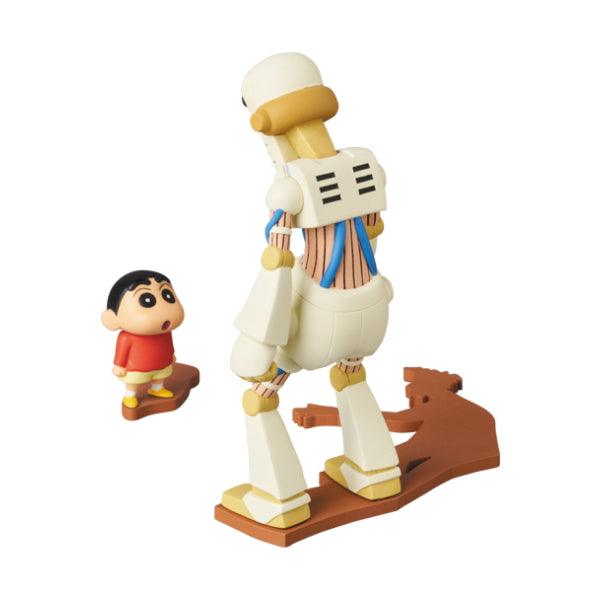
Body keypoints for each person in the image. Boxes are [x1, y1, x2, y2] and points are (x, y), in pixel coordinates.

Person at [101, 270, 184, 408]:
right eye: (147, 300)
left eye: (167, 295)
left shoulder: (165, 333)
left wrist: (171, 354)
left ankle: (157, 389)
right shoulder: (127, 337)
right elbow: (122, 351)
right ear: (112, 318)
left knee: (161, 376)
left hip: (162, 362)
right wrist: (119, 365)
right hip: (137, 367)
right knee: (133, 382)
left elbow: (168, 344)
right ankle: (130, 395)